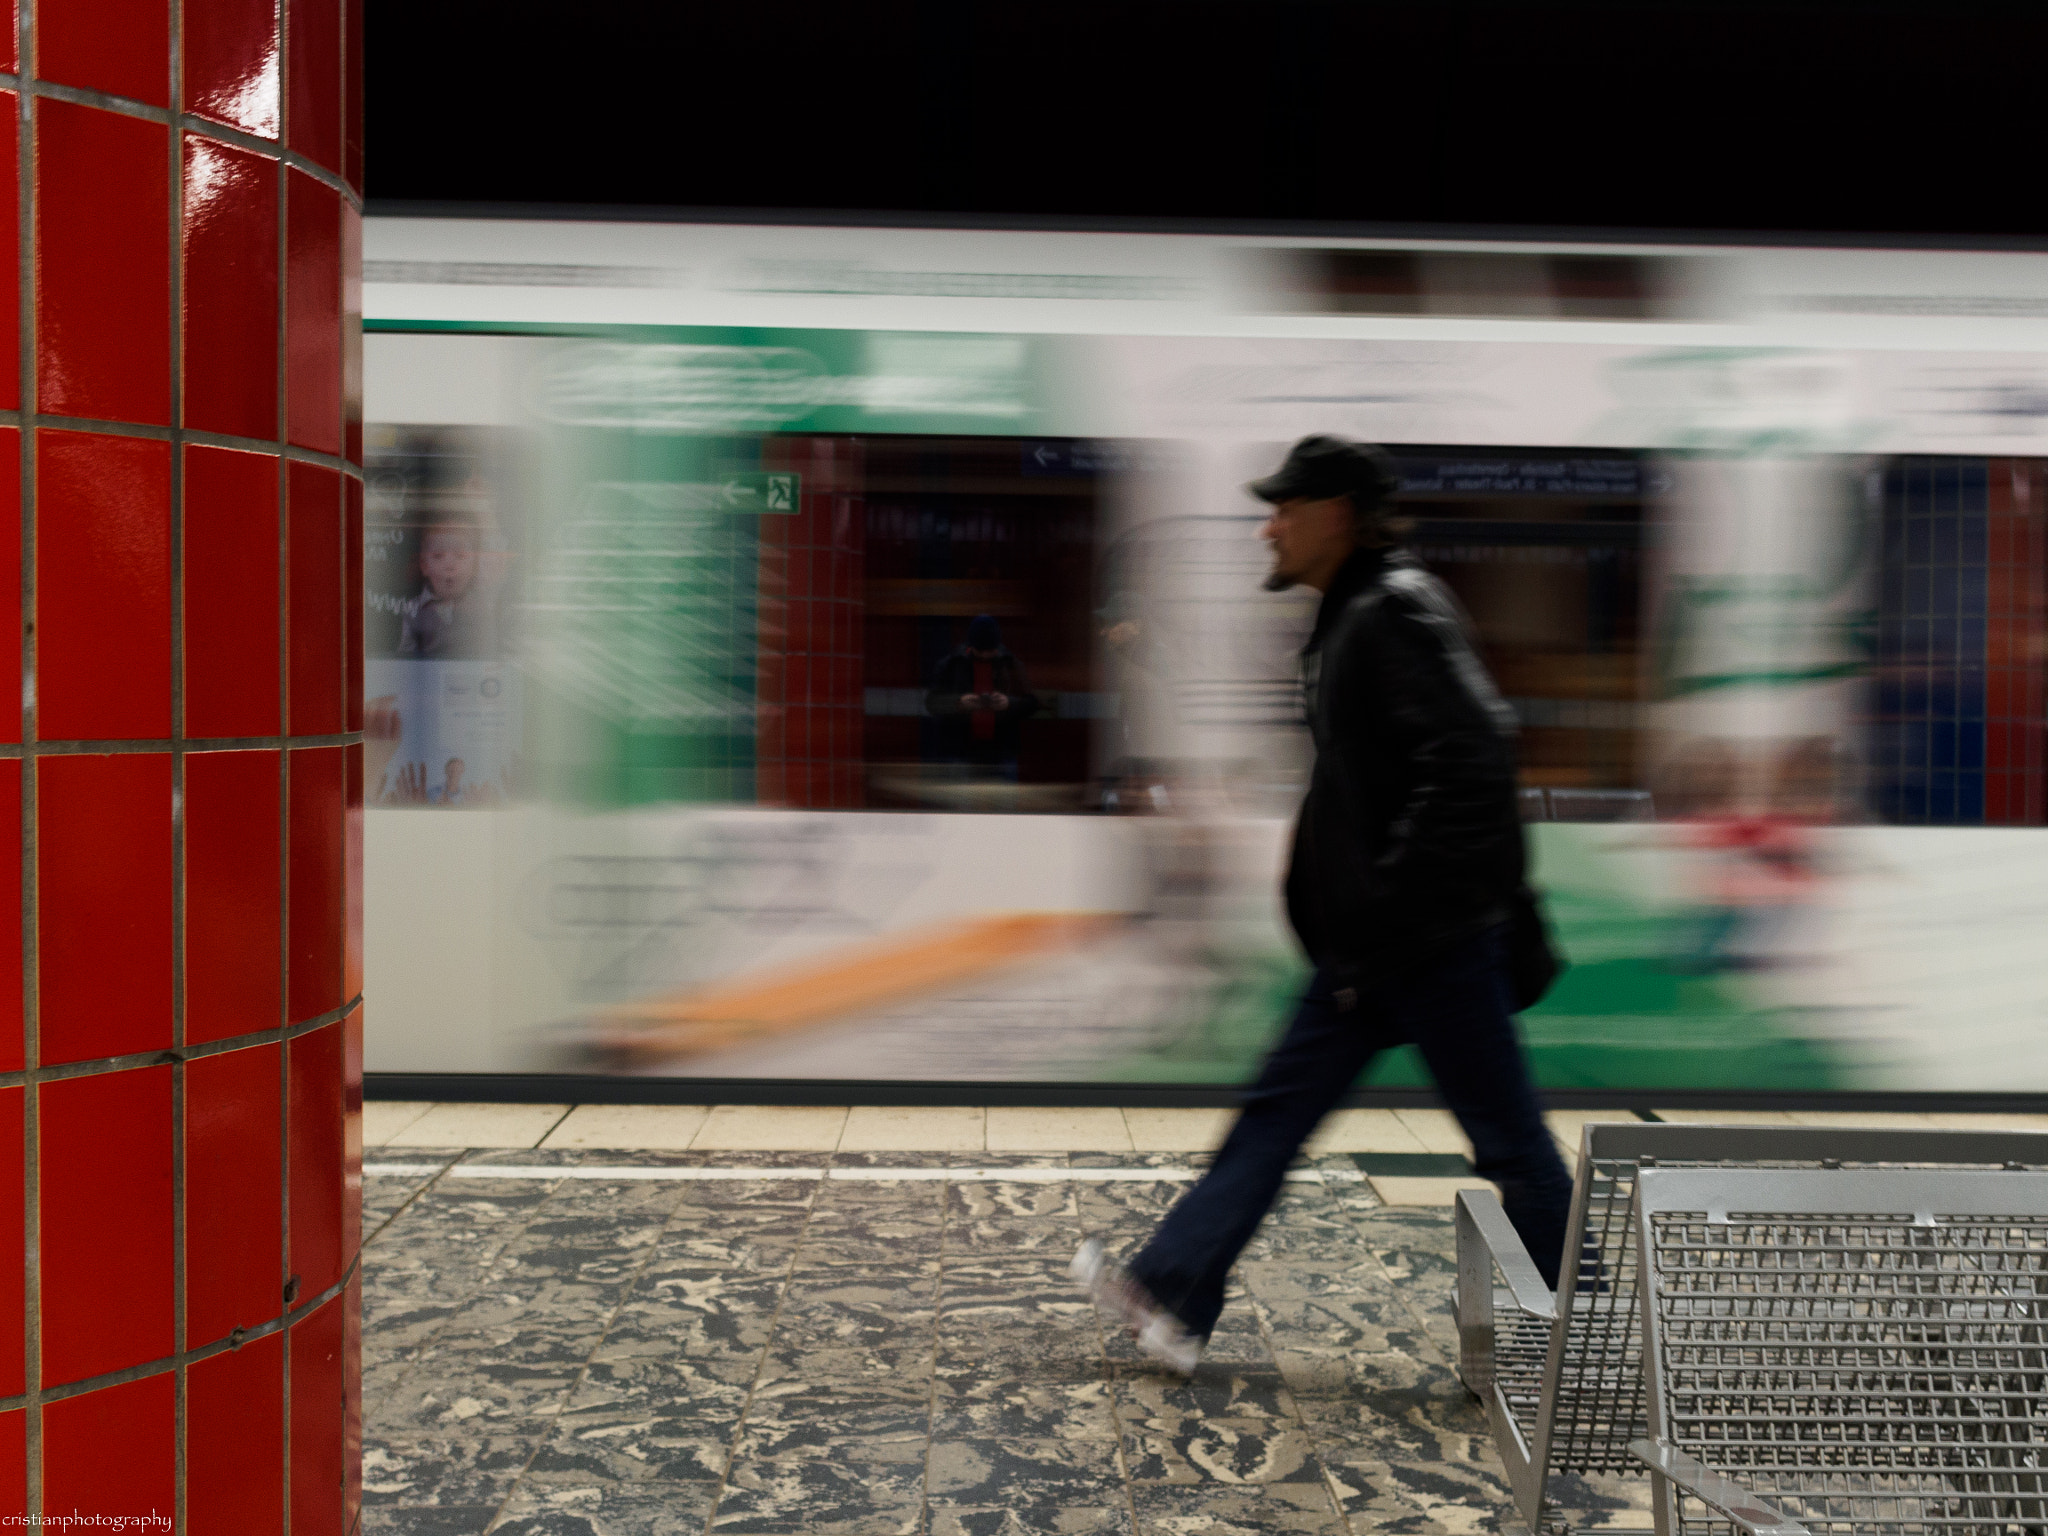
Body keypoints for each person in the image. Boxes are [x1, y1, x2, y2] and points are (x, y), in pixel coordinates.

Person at [1073, 435, 1574, 1372]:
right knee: (1279, 1110)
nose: (1269, 530)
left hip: (1428, 944)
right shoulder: (1357, 613)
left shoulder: (1396, 612)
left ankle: (1575, 1340)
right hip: (1379, 946)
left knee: (1509, 1144)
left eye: (1284, 510)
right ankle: (1172, 1292)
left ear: (1335, 515)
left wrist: (1388, 900)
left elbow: (1472, 765)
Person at [925, 614, 1040, 780]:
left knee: (1002, 803)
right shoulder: (951, 664)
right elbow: (932, 703)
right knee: (962, 804)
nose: (986, 655)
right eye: (981, 651)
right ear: (971, 646)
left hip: (1002, 753)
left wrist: (1009, 703)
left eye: (990, 651)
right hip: (961, 753)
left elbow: (1032, 704)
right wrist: (959, 703)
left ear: (997, 646)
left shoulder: (1011, 664)